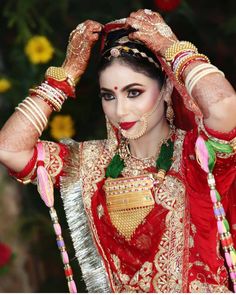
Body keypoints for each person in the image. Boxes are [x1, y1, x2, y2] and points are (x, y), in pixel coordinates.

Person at [0, 8, 236, 293]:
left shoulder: (197, 154)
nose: (120, 110)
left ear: (164, 90)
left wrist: (172, 49)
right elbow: (9, 148)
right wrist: (64, 76)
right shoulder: (89, 163)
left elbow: (224, 106)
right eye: (108, 96)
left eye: (134, 92)